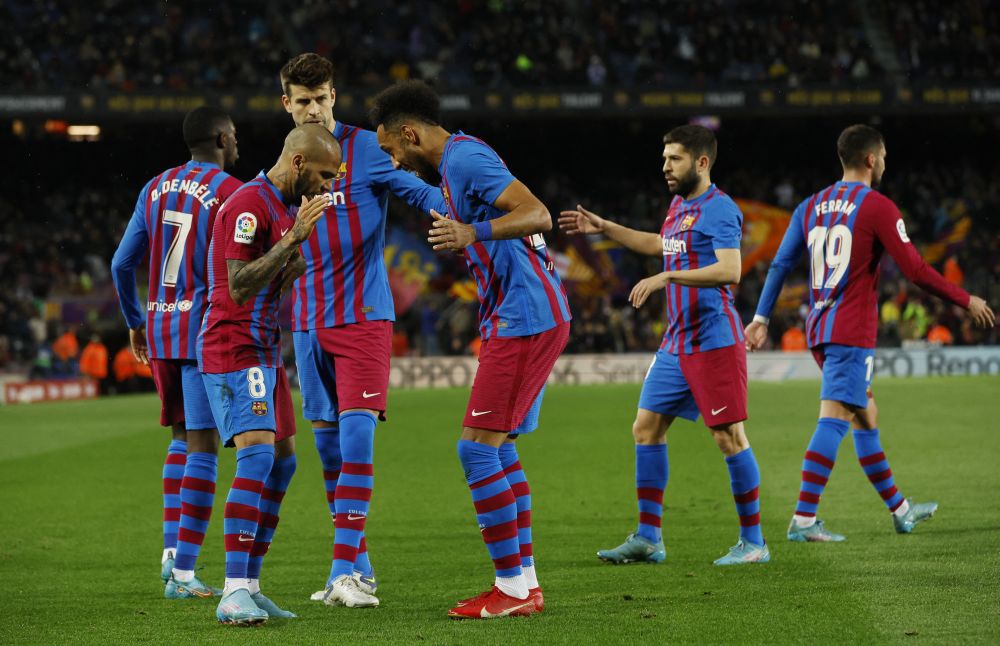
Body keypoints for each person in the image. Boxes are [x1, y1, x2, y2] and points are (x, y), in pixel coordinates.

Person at [371, 80, 570, 619]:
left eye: (391, 148)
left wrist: (471, 234)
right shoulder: (458, 163)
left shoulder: (465, 160)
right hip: (527, 314)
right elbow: (431, 198)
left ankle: (510, 588)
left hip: (524, 317)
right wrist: (375, 170)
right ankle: (523, 582)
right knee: (499, 449)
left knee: (476, 450)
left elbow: (537, 214)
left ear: (410, 133)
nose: (394, 157)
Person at [745, 124, 995, 541]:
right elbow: (914, 270)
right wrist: (965, 299)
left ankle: (900, 510)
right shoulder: (878, 207)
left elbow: (779, 265)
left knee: (866, 416)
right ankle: (804, 519)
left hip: (820, 328)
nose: (885, 163)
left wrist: (761, 318)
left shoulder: (809, 205)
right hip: (850, 331)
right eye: (883, 156)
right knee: (836, 418)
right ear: (870, 159)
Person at [277, 53, 447, 607]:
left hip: (362, 319)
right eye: (302, 100)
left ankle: (343, 570)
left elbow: (419, 191)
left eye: (322, 97)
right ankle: (360, 566)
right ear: (287, 104)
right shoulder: (289, 162)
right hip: (306, 324)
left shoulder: (367, 149)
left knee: (356, 440)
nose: (314, 108)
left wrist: (456, 208)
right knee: (328, 452)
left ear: (334, 95)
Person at [560, 125, 769, 567]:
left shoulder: (721, 209)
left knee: (728, 436)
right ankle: (648, 538)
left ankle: (754, 542)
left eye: (674, 158)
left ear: (701, 162)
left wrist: (667, 276)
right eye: (664, 158)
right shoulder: (678, 206)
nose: (665, 167)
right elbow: (661, 245)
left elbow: (730, 270)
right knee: (646, 427)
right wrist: (604, 228)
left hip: (714, 339)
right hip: (676, 342)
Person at [198, 124, 341, 625]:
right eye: (324, 175)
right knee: (257, 457)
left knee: (283, 464)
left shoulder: (283, 208)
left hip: (263, 349)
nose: (328, 186)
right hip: (232, 346)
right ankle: (231, 590)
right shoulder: (247, 204)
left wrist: (291, 261)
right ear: (299, 163)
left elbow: (271, 275)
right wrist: (292, 242)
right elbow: (237, 286)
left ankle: (251, 586)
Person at [110, 106, 242, 597]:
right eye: (235, 134)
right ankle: (184, 575)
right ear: (221, 138)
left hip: (162, 327)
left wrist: (135, 322)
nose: (238, 141)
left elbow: (121, 263)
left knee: (181, 438)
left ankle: (171, 552)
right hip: (203, 330)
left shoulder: (155, 186)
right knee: (205, 447)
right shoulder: (230, 192)